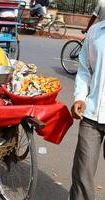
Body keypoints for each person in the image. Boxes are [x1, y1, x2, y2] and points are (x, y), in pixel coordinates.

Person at [70, 20, 105, 200]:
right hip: (91, 114)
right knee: (82, 174)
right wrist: (80, 97)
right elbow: (85, 69)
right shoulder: (95, 31)